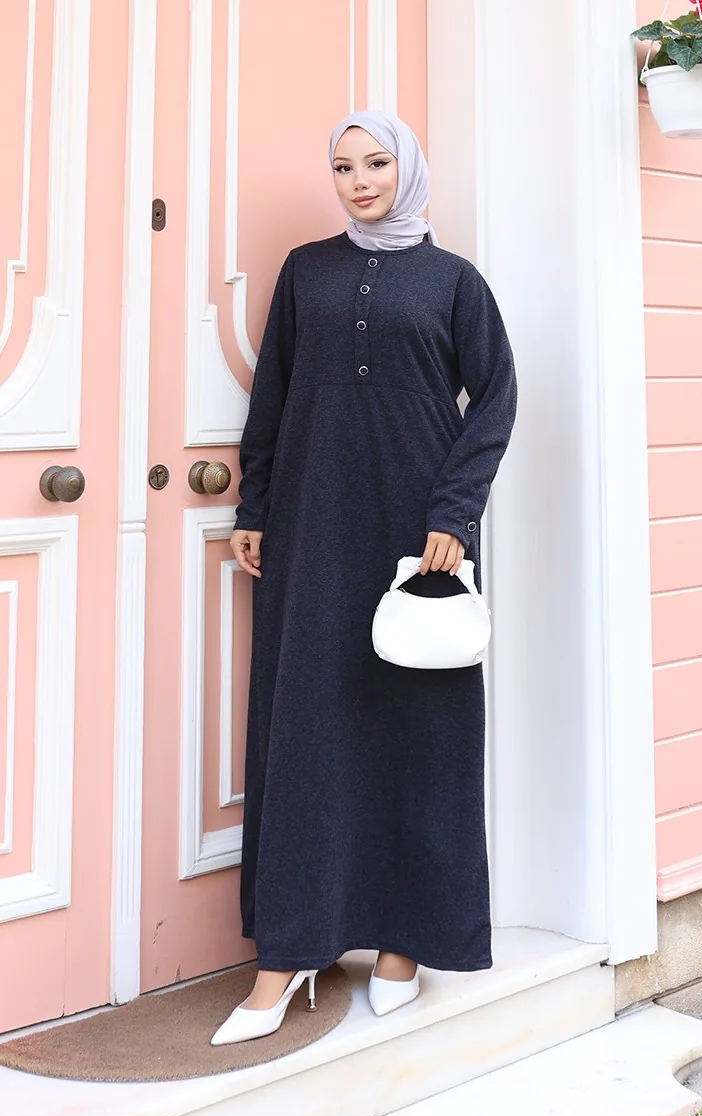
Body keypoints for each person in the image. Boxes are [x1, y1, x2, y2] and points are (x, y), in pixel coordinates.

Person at [211, 111, 517, 1046]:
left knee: (417, 729)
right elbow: (272, 395)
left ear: (407, 168)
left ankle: (403, 944)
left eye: (376, 163)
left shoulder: (455, 282)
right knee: (306, 723)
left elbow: (494, 400)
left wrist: (453, 514)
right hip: (313, 525)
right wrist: (255, 506)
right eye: (343, 167)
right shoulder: (307, 272)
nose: (359, 181)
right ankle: (287, 953)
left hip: (415, 536)